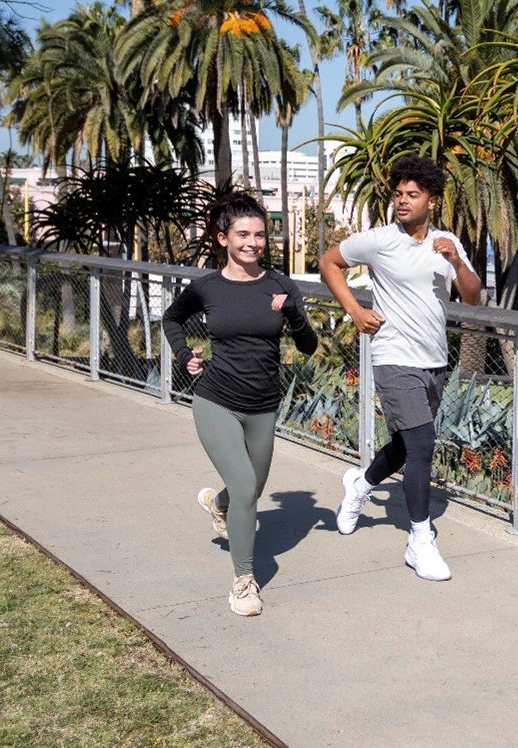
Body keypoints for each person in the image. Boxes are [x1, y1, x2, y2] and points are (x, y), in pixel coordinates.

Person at [319, 155, 481, 581]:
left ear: (432, 200)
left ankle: (361, 485)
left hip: (434, 360)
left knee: (407, 444)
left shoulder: (446, 242)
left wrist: (457, 263)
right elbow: (329, 261)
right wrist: (354, 309)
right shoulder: (378, 240)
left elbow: (473, 297)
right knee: (423, 445)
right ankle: (420, 540)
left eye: (413, 194)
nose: (403, 201)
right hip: (392, 356)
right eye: (398, 194)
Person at [161, 193, 318, 616]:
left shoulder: (281, 285)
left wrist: (293, 314)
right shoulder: (207, 287)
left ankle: (220, 504)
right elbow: (172, 319)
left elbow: (308, 346)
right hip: (216, 398)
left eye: (260, 235)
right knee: (249, 487)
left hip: (264, 404)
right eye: (243, 234)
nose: (252, 242)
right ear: (223, 237)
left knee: (248, 488)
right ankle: (244, 582)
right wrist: (183, 354)